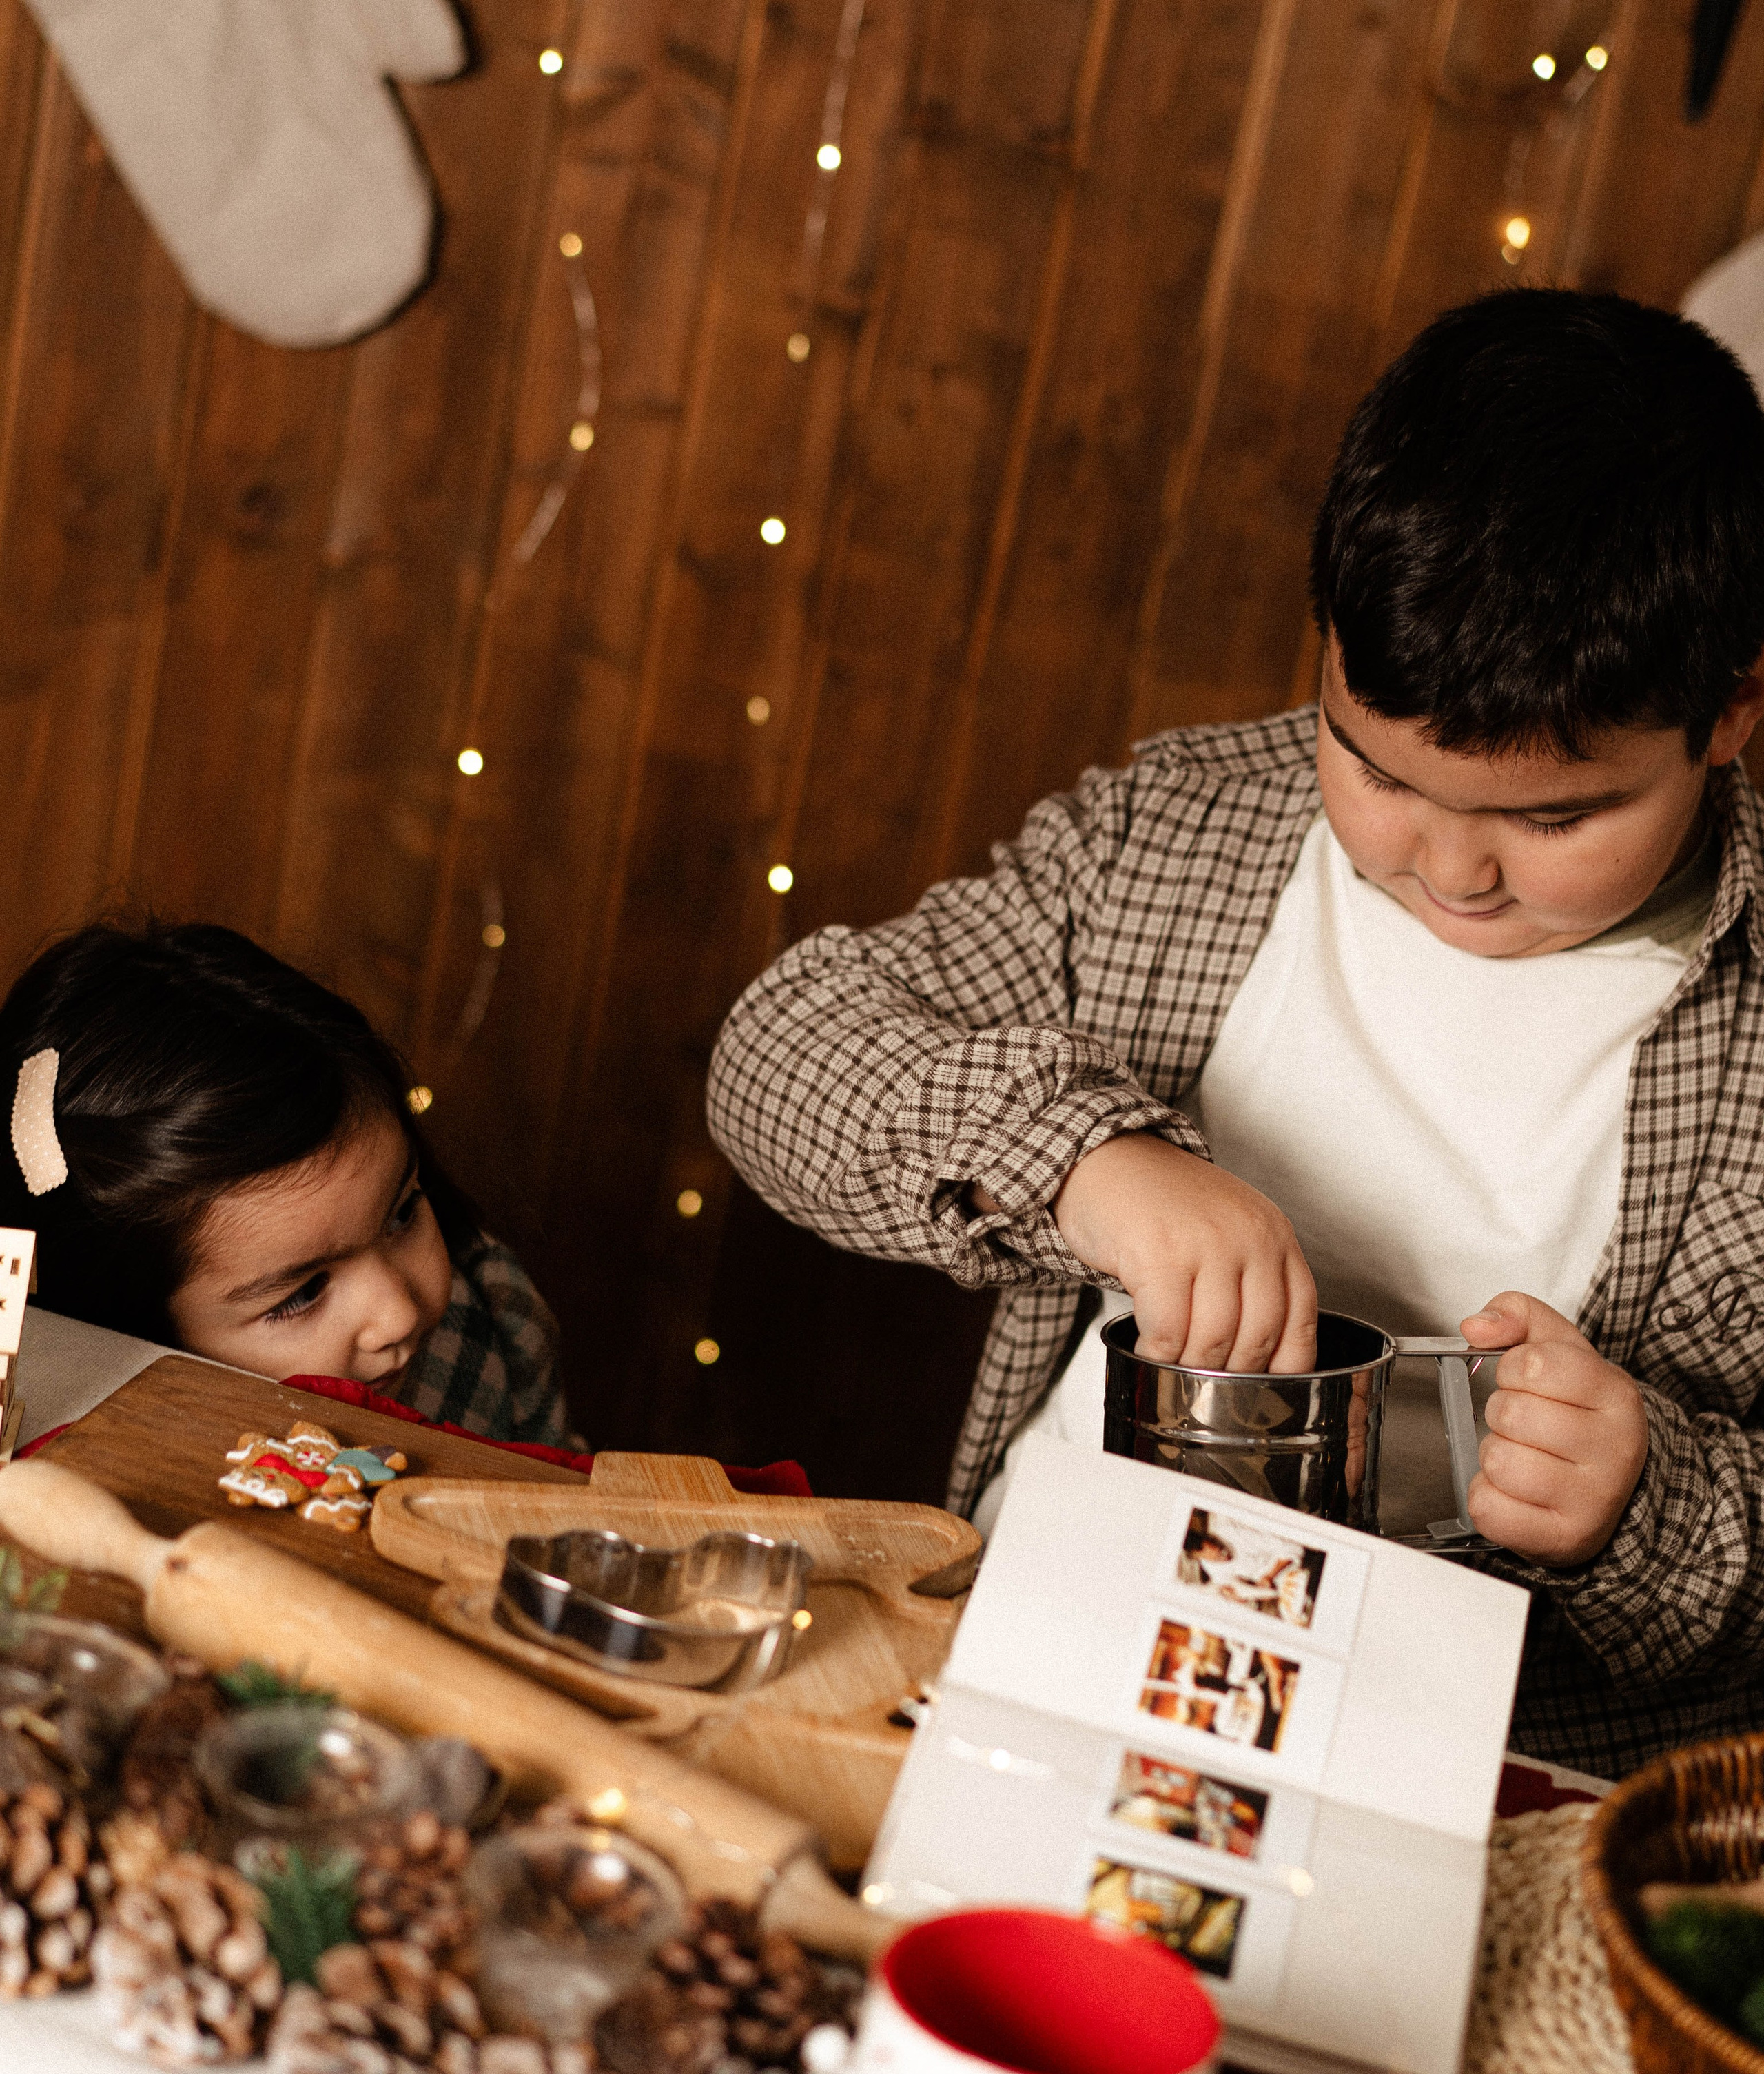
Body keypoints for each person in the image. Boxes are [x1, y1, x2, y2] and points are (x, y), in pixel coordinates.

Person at [708, 287, 1764, 1777]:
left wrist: (1648, 1505)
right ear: (1326, 648)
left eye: (1551, 816)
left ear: (1729, 711)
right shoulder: (1172, 832)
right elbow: (781, 1050)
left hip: (1475, 1783)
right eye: (1376, 770)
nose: (1449, 868)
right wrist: (1087, 1163)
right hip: (1046, 1656)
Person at [0, 921, 578, 1446]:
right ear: (120, 1336)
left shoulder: (499, 1332)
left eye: (401, 1214)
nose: (398, 1313)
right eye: (302, 1294)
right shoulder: (70, 1451)